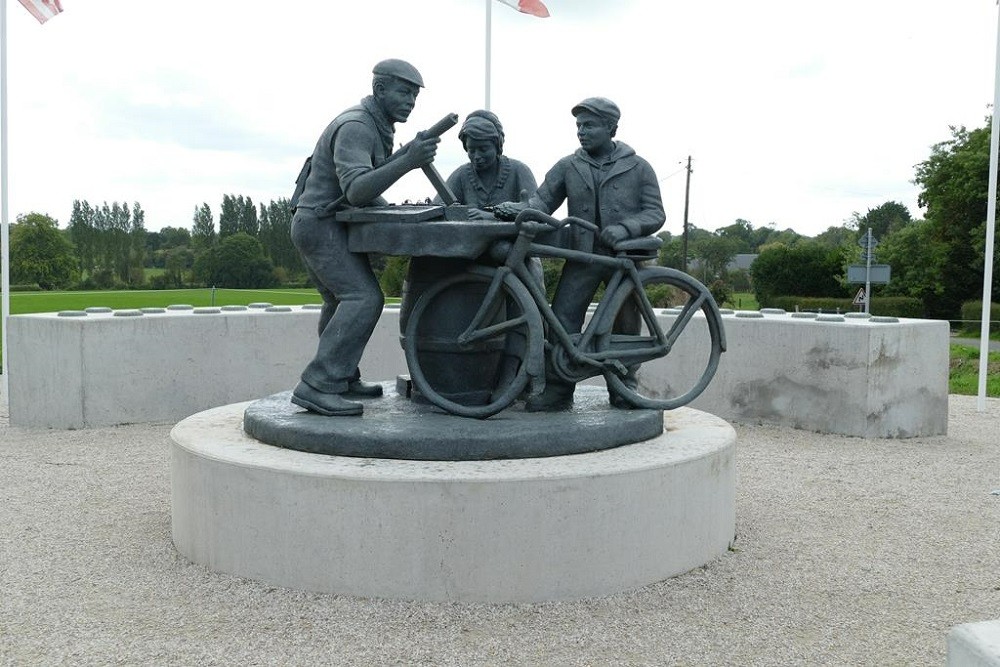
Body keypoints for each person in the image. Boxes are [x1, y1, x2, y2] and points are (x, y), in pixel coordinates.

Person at [290, 59, 440, 416]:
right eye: (403, 93)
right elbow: (357, 189)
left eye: (414, 97)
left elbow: (366, 189)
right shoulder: (358, 126)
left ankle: (342, 377)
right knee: (364, 298)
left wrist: (401, 165)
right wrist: (408, 161)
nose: (410, 102)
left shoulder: (375, 124)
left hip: (320, 223)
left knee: (340, 301)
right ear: (379, 90)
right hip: (320, 226)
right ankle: (318, 385)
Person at [517, 97, 666, 411]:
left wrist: (626, 227)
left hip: (624, 259)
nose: (581, 132)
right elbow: (542, 201)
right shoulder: (568, 165)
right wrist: (518, 211)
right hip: (582, 256)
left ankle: (624, 387)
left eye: (589, 125)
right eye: (579, 126)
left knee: (625, 325)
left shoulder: (638, 167)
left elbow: (655, 212)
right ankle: (559, 389)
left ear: (611, 127)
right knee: (562, 318)